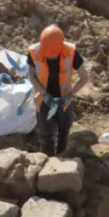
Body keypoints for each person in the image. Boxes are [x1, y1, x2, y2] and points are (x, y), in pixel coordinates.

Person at [27, 24, 91, 156]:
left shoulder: (71, 52)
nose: (50, 58)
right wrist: (44, 94)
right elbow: (31, 76)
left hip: (64, 99)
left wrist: (70, 95)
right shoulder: (34, 52)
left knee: (64, 130)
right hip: (43, 98)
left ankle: (62, 155)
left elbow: (84, 77)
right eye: (48, 56)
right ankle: (48, 158)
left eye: (53, 57)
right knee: (45, 133)